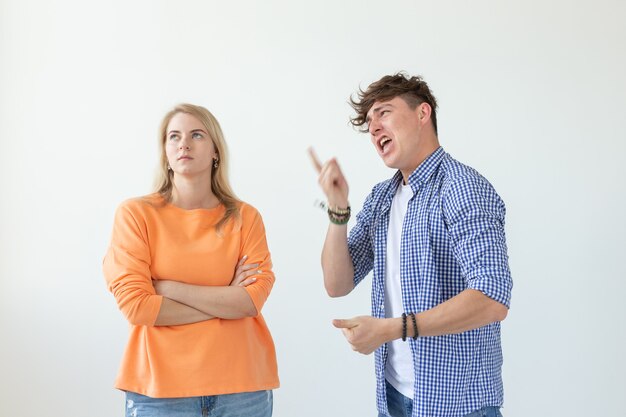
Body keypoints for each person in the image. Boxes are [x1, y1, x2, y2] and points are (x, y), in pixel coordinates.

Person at [309, 73, 512, 417]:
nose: (373, 128)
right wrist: (337, 209)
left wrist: (392, 329)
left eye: (384, 112)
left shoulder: (462, 189)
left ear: (423, 114)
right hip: (394, 397)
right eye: (369, 122)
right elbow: (337, 283)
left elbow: (492, 298)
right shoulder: (382, 198)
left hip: (457, 405)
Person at [103, 103, 278, 417]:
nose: (183, 143)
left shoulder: (245, 217)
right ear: (165, 152)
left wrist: (168, 288)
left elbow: (250, 302)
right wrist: (225, 299)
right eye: (174, 136)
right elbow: (138, 307)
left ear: (215, 151)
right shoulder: (135, 215)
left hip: (241, 388)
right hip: (159, 390)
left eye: (196, 134)